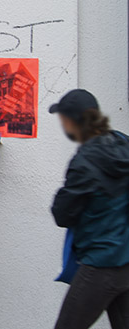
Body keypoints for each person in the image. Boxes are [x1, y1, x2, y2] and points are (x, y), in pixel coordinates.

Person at [50, 89, 129, 329]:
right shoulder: (123, 143)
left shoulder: (85, 161)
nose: (63, 125)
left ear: (74, 121)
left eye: (63, 119)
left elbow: (62, 214)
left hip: (100, 263)